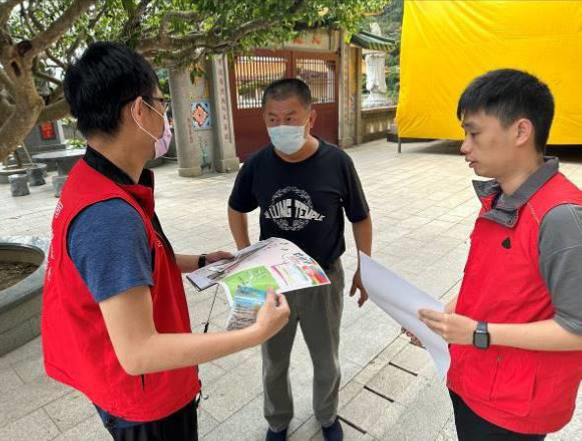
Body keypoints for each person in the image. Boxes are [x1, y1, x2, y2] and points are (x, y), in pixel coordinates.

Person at [41, 42, 290, 441]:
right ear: (139, 111)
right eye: (161, 104)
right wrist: (253, 334)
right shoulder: (109, 215)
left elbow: (131, 263)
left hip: (118, 382)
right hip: (144, 401)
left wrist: (201, 260)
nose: (166, 117)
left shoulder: (95, 179)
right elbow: (139, 352)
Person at [417, 69, 582, 440]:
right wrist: (448, 315)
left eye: (473, 133)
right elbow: (498, 280)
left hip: (514, 406)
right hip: (472, 377)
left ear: (521, 132)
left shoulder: (561, 217)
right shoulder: (500, 195)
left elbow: (577, 328)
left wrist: (477, 331)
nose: (464, 146)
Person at [228, 78, 373, 441]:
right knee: (274, 359)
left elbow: (360, 217)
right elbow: (236, 209)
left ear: (311, 118)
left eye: (290, 118)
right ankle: (277, 420)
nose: (281, 127)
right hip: (272, 278)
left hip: (323, 277)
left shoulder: (337, 162)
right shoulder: (257, 164)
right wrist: (247, 253)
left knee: (326, 359)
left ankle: (327, 415)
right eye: (272, 119)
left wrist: (365, 269)